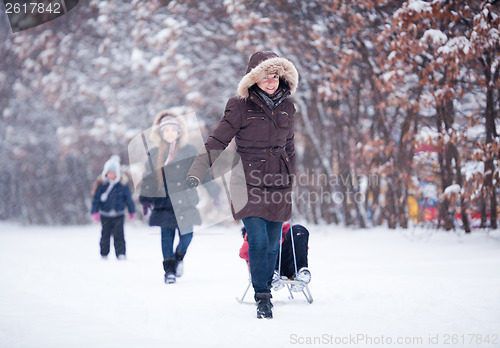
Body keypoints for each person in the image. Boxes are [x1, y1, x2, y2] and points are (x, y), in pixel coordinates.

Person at [187, 51, 299, 319]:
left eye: (275, 76)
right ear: (253, 78)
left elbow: (290, 146)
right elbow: (217, 140)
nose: (271, 82)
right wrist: (197, 169)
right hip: (247, 181)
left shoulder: (288, 107)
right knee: (258, 240)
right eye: (265, 77)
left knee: (274, 243)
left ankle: (265, 284)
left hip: (278, 183)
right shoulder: (239, 106)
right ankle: (263, 296)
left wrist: (291, 174)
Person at [139, 110, 218, 284]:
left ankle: (178, 258)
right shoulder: (155, 152)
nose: (170, 134)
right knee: (166, 236)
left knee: (187, 235)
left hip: (186, 201)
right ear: (161, 133)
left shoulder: (189, 150)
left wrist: (213, 190)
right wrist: (145, 198)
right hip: (164, 202)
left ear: (179, 131)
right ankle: (169, 271)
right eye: (166, 130)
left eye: (173, 130)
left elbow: (201, 171)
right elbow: (148, 177)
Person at [239, 222, 311, 292]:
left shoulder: (286, 230)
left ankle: (300, 273)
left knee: (298, 230)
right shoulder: (254, 232)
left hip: (285, 266)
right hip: (264, 268)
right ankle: (272, 274)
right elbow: (244, 253)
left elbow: (302, 247)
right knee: (269, 244)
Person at [91, 155, 136, 260]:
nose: (111, 175)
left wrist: (131, 210)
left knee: (119, 235)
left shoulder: (122, 185)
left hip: (118, 214)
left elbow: (128, 199)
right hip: (105, 214)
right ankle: (104, 253)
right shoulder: (102, 185)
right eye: (109, 173)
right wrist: (95, 211)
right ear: (106, 173)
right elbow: (96, 199)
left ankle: (120, 253)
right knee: (105, 235)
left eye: (113, 173)